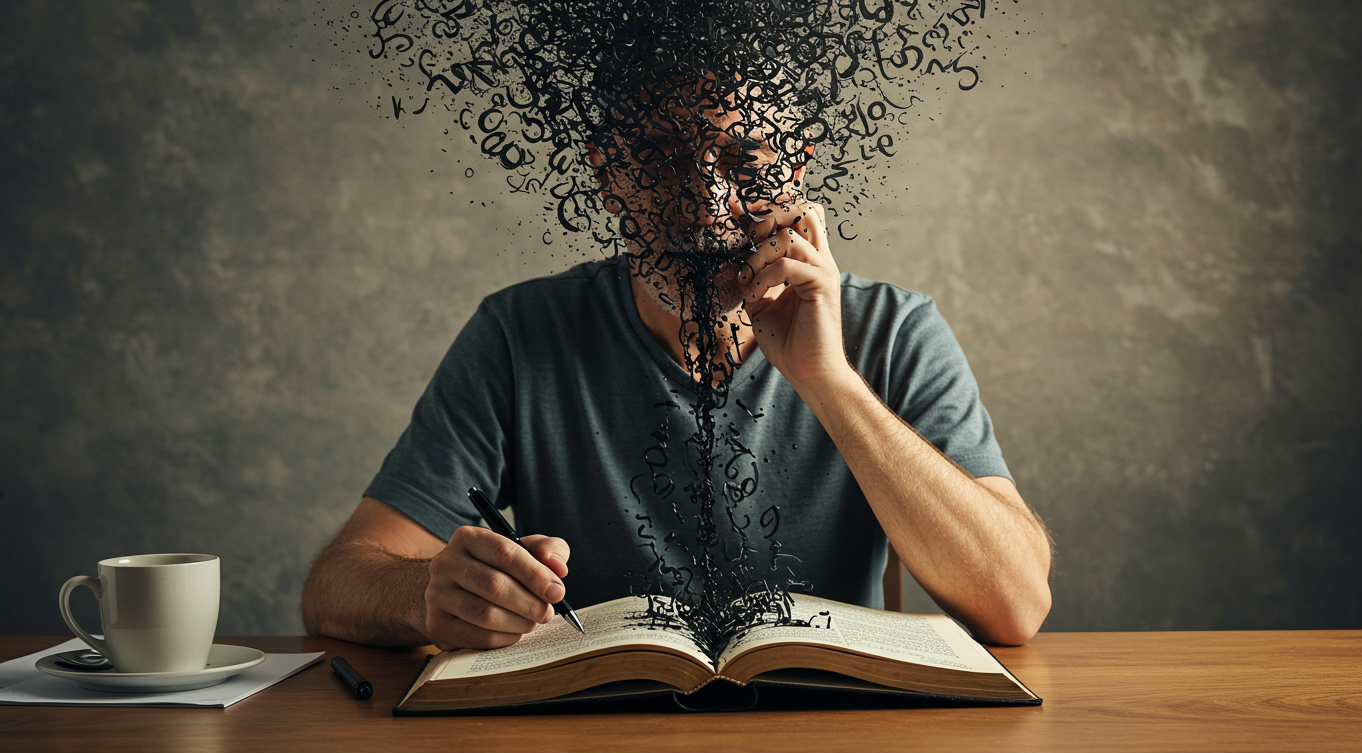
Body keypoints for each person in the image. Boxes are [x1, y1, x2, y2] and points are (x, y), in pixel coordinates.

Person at [301, 74, 1052, 652]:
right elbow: (338, 583)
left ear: (797, 168)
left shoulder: (894, 330)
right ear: (604, 172)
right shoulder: (519, 333)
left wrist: (829, 381)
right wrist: (430, 592)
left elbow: (1015, 603)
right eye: (659, 157)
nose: (704, 202)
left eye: (745, 159)